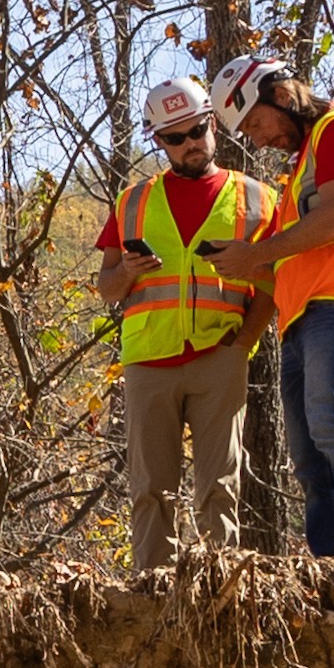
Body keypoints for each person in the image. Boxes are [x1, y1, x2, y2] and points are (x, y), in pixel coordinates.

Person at [216, 57, 334, 561]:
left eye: (256, 124)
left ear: (281, 95)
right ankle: (331, 559)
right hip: (303, 315)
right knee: (308, 453)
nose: (258, 141)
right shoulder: (304, 161)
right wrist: (237, 264)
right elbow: (297, 259)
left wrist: (255, 253)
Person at [92, 80, 257, 569]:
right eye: (175, 137)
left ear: (213, 125)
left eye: (198, 130)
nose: (190, 144)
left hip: (218, 356)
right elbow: (106, 288)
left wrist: (242, 344)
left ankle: (218, 592)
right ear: (159, 142)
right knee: (149, 488)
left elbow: (271, 282)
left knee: (220, 486)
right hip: (149, 360)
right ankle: (152, 590)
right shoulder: (132, 202)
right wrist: (125, 273)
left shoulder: (255, 198)